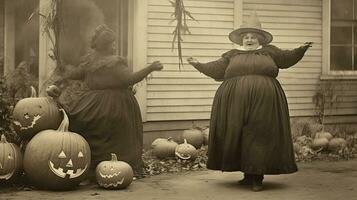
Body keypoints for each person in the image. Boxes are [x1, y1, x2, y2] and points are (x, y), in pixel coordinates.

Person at [187, 12, 312, 192]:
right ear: (241, 40)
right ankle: (247, 174)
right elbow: (216, 69)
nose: (250, 39)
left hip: (265, 101)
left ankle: (257, 177)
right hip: (234, 102)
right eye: (246, 36)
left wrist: (301, 49)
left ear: (260, 38)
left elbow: (287, 58)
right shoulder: (232, 54)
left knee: (258, 134)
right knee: (239, 134)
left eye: (253, 36)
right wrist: (198, 64)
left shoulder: (270, 52)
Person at [47, 24, 163, 181]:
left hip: (92, 105)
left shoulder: (89, 62)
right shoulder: (115, 62)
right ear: (106, 45)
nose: (115, 46)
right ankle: (120, 169)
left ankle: (92, 169)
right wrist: (151, 67)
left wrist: (59, 69)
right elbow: (130, 79)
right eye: (113, 43)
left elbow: (73, 74)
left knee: (94, 134)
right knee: (120, 138)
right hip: (117, 105)